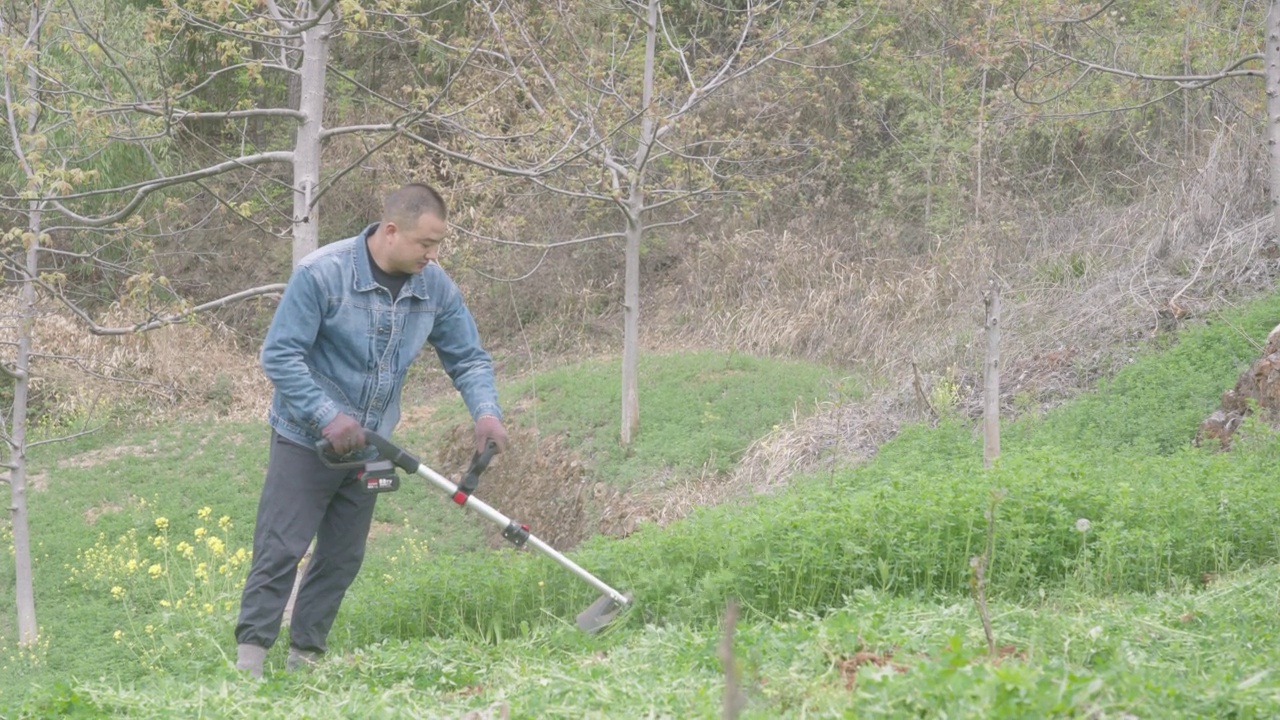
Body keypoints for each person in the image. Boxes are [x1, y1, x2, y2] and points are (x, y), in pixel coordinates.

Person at [233, 183, 508, 678]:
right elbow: (280, 354)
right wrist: (327, 415)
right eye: (426, 244)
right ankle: (247, 668)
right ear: (391, 231)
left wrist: (486, 413)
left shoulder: (435, 287)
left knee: (342, 557)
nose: (433, 255)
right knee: (281, 549)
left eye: (438, 245)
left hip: (372, 447)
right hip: (306, 439)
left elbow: (467, 357)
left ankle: (304, 663)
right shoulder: (323, 274)